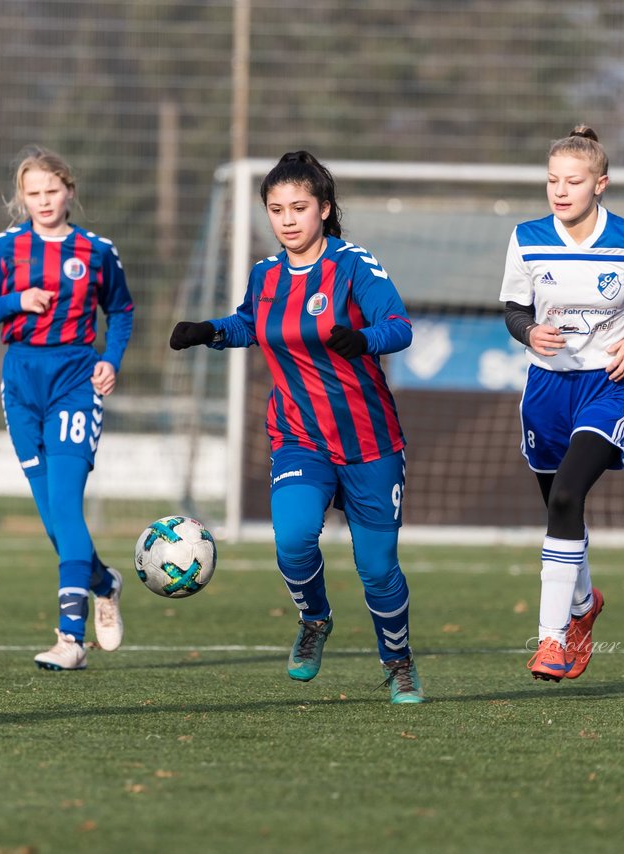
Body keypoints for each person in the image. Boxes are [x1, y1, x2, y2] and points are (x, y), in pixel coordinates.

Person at [169, 151, 424, 704]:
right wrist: (208, 330)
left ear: (324, 209)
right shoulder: (264, 275)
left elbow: (399, 326)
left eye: (299, 207)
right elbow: (248, 325)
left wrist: (365, 340)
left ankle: (398, 662)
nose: (287, 219)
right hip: (298, 435)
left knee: (378, 570)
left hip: (369, 441)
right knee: (292, 540)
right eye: (276, 209)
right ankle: (315, 620)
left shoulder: (355, 265)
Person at [499, 125, 624, 682]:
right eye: (551, 180)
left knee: (568, 496)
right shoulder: (527, 237)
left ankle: (551, 641)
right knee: (559, 509)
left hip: (608, 385)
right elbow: (515, 308)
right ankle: (585, 606)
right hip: (545, 390)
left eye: (573, 180)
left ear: (600, 184)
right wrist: (527, 332)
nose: (560, 191)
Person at [0, 146, 133, 672]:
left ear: (70, 192)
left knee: (66, 504)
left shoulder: (96, 250)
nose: (43, 201)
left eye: (52, 191)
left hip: (74, 382)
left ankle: (70, 639)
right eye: (33, 193)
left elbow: (121, 310)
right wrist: (16, 300)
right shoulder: (6, 249)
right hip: (21, 384)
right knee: (54, 521)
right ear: (22, 197)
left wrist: (111, 359)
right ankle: (104, 583)